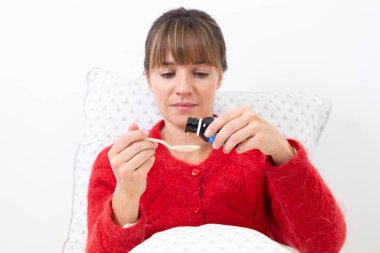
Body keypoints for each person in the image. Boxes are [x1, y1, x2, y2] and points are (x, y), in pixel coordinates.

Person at [86, 7, 346, 253]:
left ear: (219, 76)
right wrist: (127, 194)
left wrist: (283, 152)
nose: (183, 88)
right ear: (148, 78)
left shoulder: (259, 155)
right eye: (167, 74)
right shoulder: (117, 165)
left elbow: (324, 245)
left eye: (199, 73)